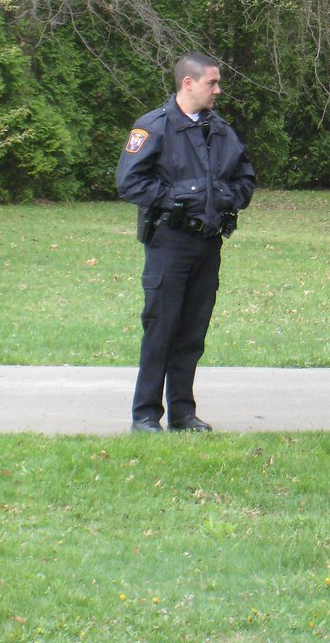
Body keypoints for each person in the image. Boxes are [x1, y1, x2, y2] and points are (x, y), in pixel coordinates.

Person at [116, 52, 256, 433]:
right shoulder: (154, 127)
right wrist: (183, 196)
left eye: (218, 82)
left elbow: (245, 179)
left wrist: (224, 198)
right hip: (169, 242)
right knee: (161, 328)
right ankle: (145, 414)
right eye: (212, 83)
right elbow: (130, 182)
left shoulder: (221, 131)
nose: (218, 90)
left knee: (193, 332)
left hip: (208, 243)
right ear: (188, 83)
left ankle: (182, 413)